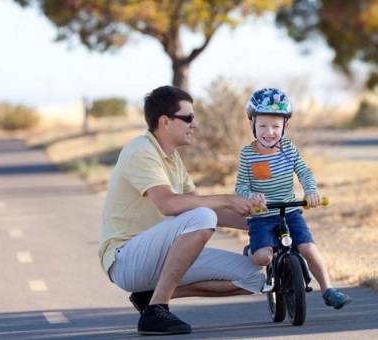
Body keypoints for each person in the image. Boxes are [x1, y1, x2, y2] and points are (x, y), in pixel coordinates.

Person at [99, 85, 267, 336]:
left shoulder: (173, 158)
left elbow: (201, 208)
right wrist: (227, 198)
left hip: (165, 253)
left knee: (253, 278)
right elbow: (169, 205)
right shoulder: (140, 151)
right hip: (127, 259)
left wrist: (263, 220)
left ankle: (150, 298)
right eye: (188, 118)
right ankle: (157, 310)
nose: (194, 124)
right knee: (202, 215)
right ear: (165, 121)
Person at [235, 87, 352, 310]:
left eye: (275, 126)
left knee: (307, 247)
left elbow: (304, 172)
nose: (269, 132)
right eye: (262, 126)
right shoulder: (247, 154)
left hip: (289, 211)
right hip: (262, 216)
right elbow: (240, 186)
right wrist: (251, 196)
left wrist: (311, 191)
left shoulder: (288, 149)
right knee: (262, 257)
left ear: (285, 127)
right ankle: (251, 249)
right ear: (252, 125)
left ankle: (328, 289)